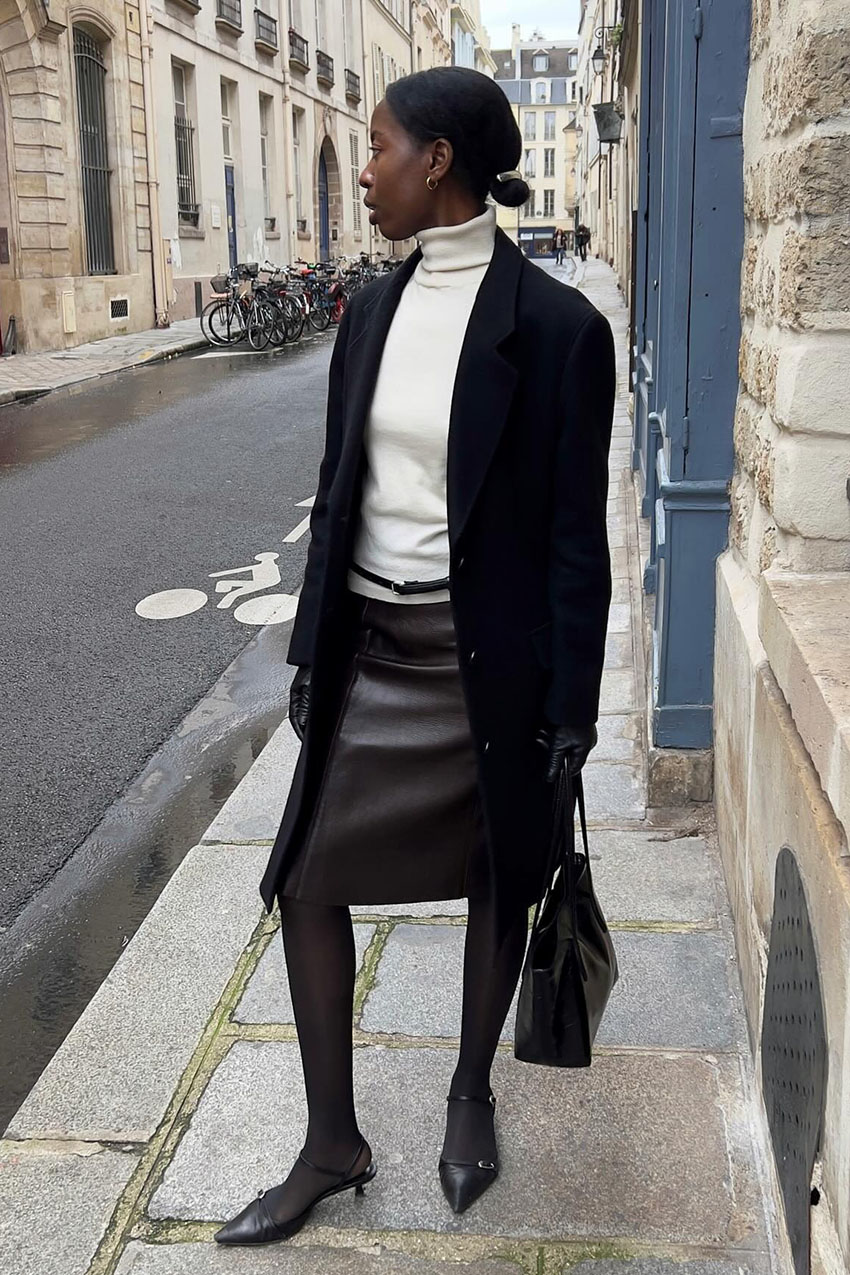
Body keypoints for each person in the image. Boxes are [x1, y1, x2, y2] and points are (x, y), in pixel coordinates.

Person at [215, 65, 615, 1248]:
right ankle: (330, 1142)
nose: (367, 168)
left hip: (486, 656)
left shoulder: (556, 331)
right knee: (305, 881)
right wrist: (310, 649)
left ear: (436, 161)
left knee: (500, 872)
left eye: (378, 145)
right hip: (375, 649)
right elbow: (339, 494)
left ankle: (467, 1094)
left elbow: (570, 540)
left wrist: (571, 708)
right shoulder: (373, 310)